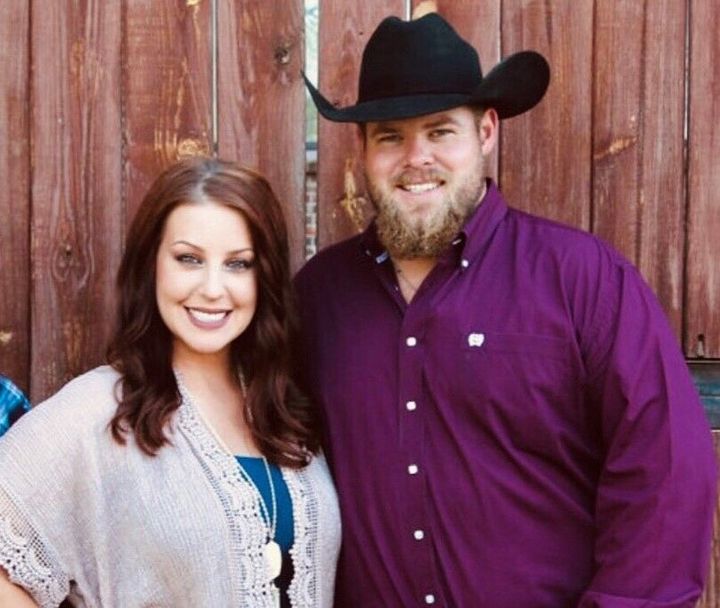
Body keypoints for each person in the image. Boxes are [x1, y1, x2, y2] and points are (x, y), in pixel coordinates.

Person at [296, 12, 716, 607]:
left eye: (441, 131)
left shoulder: (584, 281)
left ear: (486, 132)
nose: (416, 158)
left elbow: (665, 477)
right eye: (391, 135)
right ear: (363, 148)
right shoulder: (318, 299)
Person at [0, 157, 340, 607]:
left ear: (264, 278)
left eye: (238, 264)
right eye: (188, 259)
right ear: (151, 265)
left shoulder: (285, 407)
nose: (213, 288)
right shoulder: (99, 412)